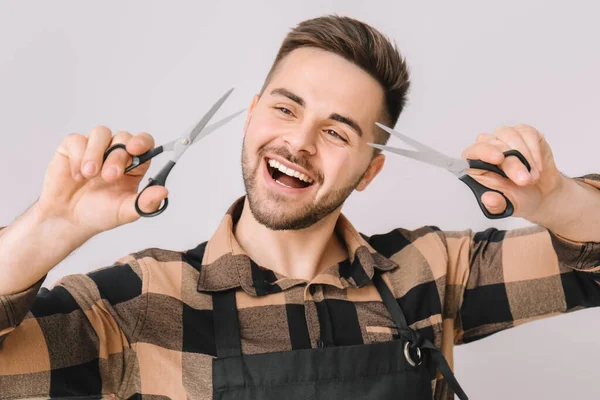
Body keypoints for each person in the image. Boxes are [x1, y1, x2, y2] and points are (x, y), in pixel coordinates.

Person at [0, 14, 599, 400]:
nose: (299, 143)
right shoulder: (141, 301)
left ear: (371, 169)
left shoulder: (433, 271)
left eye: (338, 132)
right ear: (254, 112)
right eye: (286, 109)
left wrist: (556, 197)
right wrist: (54, 227)